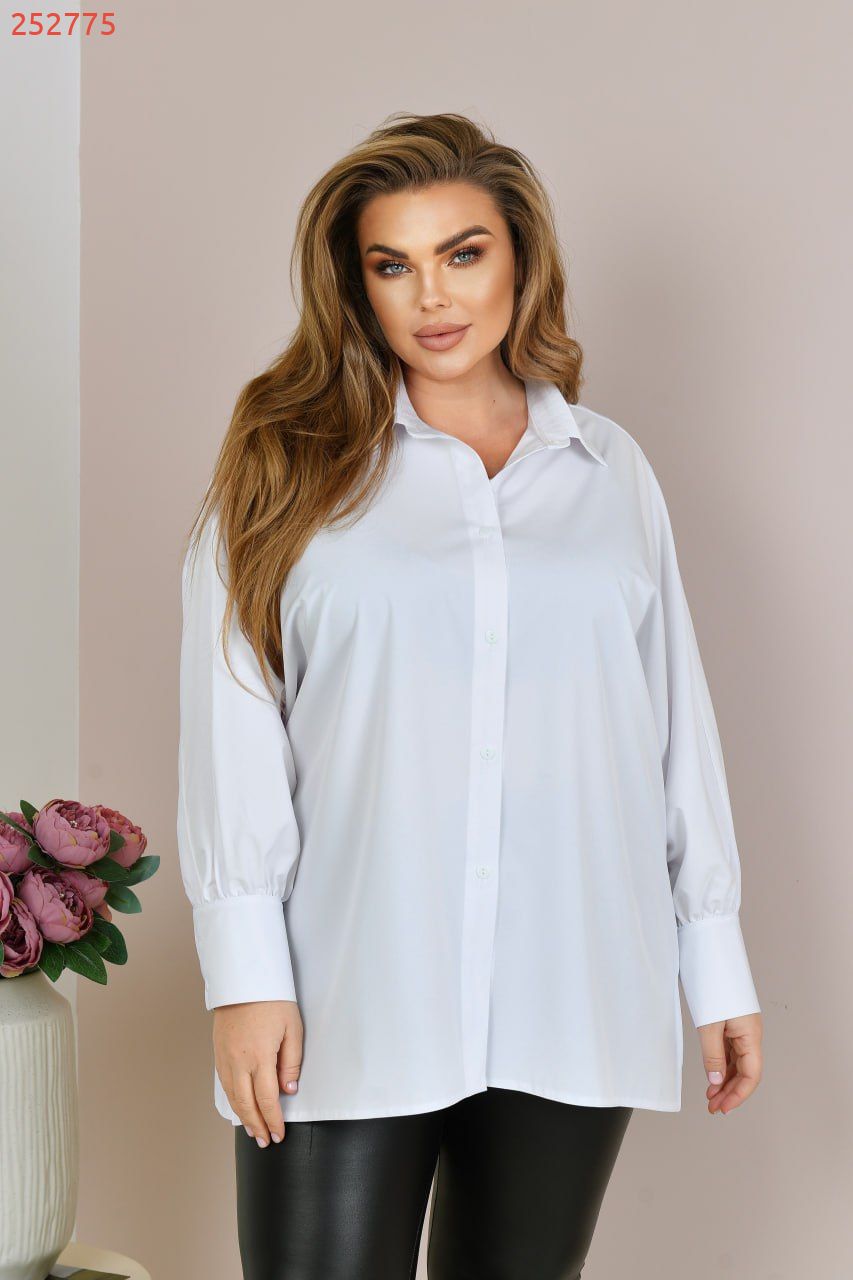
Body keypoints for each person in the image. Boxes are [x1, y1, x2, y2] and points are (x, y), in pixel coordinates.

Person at [176, 111, 764, 1279]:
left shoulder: (610, 470)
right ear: (355, 286)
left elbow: (668, 726)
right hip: (350, 984)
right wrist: (245, 974)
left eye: (462, 252)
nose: (431, 295)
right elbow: (235, 718)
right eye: (391, 264)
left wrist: (714, 960)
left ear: (520, 260)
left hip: (575, 975)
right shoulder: (286, 461)